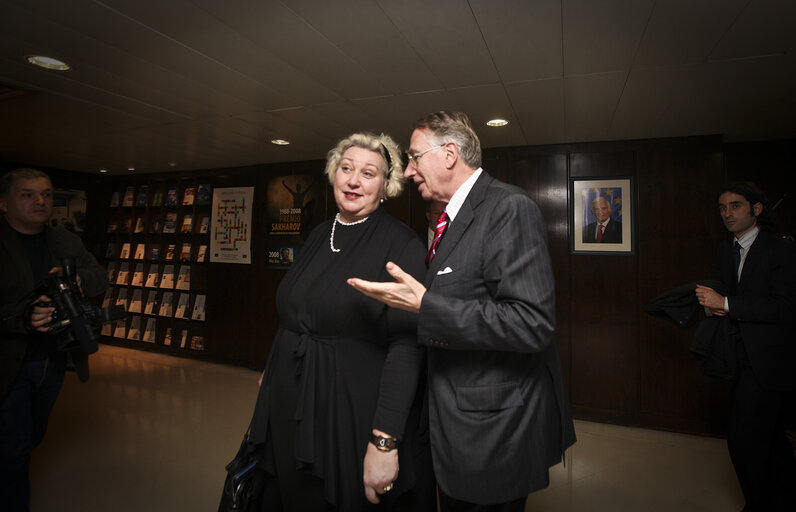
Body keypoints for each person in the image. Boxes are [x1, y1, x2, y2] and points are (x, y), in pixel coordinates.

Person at [348, 111, 576, 511]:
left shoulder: (507, 208)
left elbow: (531, 324)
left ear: (449, 153)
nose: (410, 169)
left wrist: (426, 307)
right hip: (451, 422)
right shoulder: (449, 220)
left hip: (492, 432)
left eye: (415, 156)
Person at [245, 133, 435, 511]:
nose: (353, 181)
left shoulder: (401, 245)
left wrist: (385, 441)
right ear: (333, 175)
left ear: (386, 186)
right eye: (346, 169)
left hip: (346, 412)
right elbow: (294, 313)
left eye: (368, 173)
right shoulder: (318, 233)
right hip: (287, 402)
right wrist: (272, 368)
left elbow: (406, 348)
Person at [0, 168, 108, 511]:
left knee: (30, 437)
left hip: (53, 358)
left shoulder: (64, 241)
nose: (40, 201)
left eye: (46, 194)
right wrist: (22, 318)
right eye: (27, 194)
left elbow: (99, 278)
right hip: (8, 360)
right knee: (13, 449)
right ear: (3, 203)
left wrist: (72, 278)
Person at [695, 181, 796, 511]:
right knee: (772, 441)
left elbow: (785, 307)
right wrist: (709, 303)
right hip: (738, 358)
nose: (727, 213)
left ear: (757, 209)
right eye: (722, 208)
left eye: (735, 206)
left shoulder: (781, 250)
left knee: (744, 442)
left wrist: (728, 304)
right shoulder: (727, 249)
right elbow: (718, 287)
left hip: (770, 362)